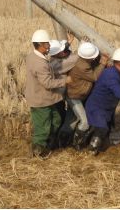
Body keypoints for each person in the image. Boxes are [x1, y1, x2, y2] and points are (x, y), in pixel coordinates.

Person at [25, 29, 67, 158]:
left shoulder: (33, 56)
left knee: (57, 119)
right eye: (47, 44)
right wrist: (65, 81)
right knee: (42, 128)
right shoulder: (39, 63)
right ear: (40, 45)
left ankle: (49, 143)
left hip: (47, 98)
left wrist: (67, 44)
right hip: (41, 101)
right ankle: (38, 150)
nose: (49, 46)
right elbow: (48, 83)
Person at [84, 47, 120, 155]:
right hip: (97, 107)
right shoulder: (112, 76)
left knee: (107, 128)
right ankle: (91, 150)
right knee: (102, 129)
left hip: (103, 108)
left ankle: (103, 148)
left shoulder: (113, 72)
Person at [65, 41, 109, 150]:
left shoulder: (79, 59)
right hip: (75, 96)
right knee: (84, 122)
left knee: (71, 121)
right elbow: (94, 76)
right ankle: (76, 145)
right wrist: (103, 63)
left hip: (74, 94)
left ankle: (64, 141)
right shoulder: (83, 67)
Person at [48, 35, 79, 148]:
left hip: (58, 96)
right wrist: (86, 47)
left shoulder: (54, 58)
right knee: (59, 119)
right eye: (63, 50)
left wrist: (68, 43)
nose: (66, 52)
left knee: (59, 117)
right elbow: (74, 59)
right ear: (57, 53)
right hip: (56, 97)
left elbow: (63, 55)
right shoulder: (57, 65)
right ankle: (54, 142)